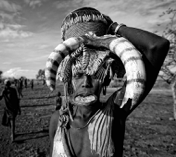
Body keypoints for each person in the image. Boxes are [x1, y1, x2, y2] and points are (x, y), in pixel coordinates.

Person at [46, 7, 169, 157]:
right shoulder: (57, 120)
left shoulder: (116, 112)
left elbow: (157, 47)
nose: (86, 83)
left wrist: (113, 28)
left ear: (106, 79)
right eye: (78, 75)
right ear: (68, 79)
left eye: (96, 74)